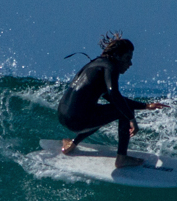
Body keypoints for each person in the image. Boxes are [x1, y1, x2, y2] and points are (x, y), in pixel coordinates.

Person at [58, 32, 167, 168]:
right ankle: (122, 158)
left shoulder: (94, 65)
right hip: (77, 120)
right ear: (116, 56)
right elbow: (114, 94)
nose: (130, 63)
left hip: (63, 116)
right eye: (127, 58)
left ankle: (72, 144)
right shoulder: (110, 66)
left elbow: (111, 98)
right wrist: (131, 118)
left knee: (102, 111)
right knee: (124, 111)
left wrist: (145, 105)